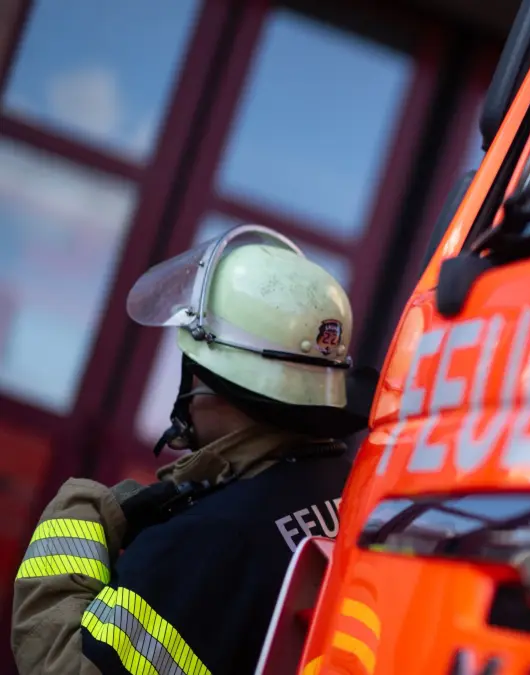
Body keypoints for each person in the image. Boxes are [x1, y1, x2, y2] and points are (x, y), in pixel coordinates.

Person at [10, 225, 379, 675]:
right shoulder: (351, 484)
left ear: (211, 383)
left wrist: (80, 512)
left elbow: (66, 667)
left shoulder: (205, 542)